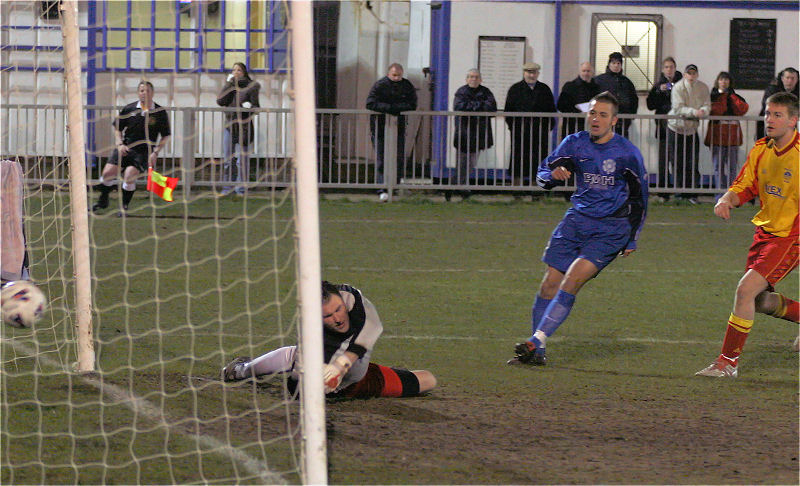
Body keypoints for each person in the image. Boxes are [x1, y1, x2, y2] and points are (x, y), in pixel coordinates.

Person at [507, 92, 648, 366]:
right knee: (549, 283)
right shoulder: (574, 143)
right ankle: (537, 352)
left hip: (610, 229)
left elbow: (640, 198)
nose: (595, 119)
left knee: (571, 280)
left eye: (602, 115)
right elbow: (541, 173)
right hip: (575, 223)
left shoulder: (627, 154)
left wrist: (633, 236)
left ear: (614, 121)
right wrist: (552, 175)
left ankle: (535, 341)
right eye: (593, 113)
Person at [696, 92, 799, 378]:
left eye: (778, 115)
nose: (770, 119)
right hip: (764, 234)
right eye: (768, 113)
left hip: (791, 237)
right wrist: (726, 200)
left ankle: (727, 363)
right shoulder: (760, 149)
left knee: (745, 289)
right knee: (758, 300)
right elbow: (745, 186)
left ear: (794, 120)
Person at [222, 281, 437, 399]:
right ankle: (241, 370)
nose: (337, 317)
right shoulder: (312, 337)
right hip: (349, 386)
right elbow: (297, 386)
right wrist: (324, 382)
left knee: (428, 380)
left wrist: (341, 364)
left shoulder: (350, 298)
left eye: (338, 309)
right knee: (292, 357)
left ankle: (243, 369)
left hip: (359, 373)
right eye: (328, 315)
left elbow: (373, 327)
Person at [92, 80, 171, 216]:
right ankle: (103, 200)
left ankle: (124, 207)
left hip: (143, 152)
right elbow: (117, 128)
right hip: (125, 148)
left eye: (147, 90)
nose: (144, 93)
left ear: (152, 93)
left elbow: (165, 135)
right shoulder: (129, 109)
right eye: (142, 91)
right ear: (138, 93)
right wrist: (119, 144)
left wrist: (156, 152)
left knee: (129, 176)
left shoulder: (159, 112)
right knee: (107, 174)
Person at [366, 63, 418, 201]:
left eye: (399, 75)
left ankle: (395, 185)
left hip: (399, 126)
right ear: (388, 74)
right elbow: (370, 103)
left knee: (399, 156)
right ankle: (382, 188)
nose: (396, 78)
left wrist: (390, 109)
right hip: (379, 125)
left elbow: (413, 104)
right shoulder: (380, 85)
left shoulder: (407, 86)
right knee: (381, 157)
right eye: (394, 75)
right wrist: (393, 109)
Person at [504, 61, 557, 186]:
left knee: (538, 161)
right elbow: (508, 111)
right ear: (524, 73)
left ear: (538, 73)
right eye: (529, 72)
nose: (531, 75)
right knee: (518, 160)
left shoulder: (544, 90)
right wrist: (514, 127)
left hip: (539, 133)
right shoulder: (515, 89)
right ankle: (517, 190)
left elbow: (551, 110)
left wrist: (546, 128)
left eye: (534, 72)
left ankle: (536, 190)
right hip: (520, 132)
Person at [666, 64, 710, 202]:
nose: (691, 76)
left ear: (697, 75)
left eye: (693, 73)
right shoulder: (678, 87)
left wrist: (703, 111)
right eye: (688, 73)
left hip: (691, 130)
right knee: (677, 162)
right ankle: (679, 194)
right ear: (684, 75)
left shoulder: (702, 87)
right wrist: (694, 112)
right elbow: (678, 108)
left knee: (692, 162)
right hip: (676, 129)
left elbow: (707, 104)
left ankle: (692, 194)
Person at [451, 69, 497, 200]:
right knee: (462, 163)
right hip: (464, 134)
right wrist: (479, 107)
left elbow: (492, 107)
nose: (474, 79)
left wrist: (473, 107)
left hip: (479, 134)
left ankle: (456, 187)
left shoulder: (486, 92)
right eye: (471, 77)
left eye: (476, 77)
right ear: (466, 79)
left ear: (480, 79)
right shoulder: (461, 92)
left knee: (471, 163)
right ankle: (458, 187)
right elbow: (460, 107)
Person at [216, 62, 260, 195]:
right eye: (234, 70)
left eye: (239, 70)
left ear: (244, 72)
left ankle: (241, 188)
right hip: (230, 126)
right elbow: (220, 101)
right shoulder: (230, 86)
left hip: (244, 127)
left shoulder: (251, 86)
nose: (236, 72)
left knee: (242, 160)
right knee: (228, 159)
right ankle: (227, 187)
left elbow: (256, 107)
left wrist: (249, 107)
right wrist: (229, 84)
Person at [705, 72, 748, 199]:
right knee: (718, 166)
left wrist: (731, 96)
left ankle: (731, 193)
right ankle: (720, 193)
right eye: (721, 79)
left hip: (732, 135)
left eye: (726, 80)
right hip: (717, 135)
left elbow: (742, 109)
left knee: (732, 167)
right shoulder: (712, 97)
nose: (724, 82)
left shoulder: (735, 96)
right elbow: (717, 110)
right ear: (717, 81)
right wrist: (723, 97)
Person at [646, 57, 682, 193]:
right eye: (666, 67)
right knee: (663, 159)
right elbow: (650, 105)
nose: (669, 70)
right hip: (662, 127)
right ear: (663, 69)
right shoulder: (658, 85)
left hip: (679, 126)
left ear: (675, 68)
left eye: (671, 67)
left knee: (678, 159)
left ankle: (679, 190)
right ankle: (663, 191)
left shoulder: (681, 84)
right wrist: (657, 91)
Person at [594, 52, 638, 139]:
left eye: (618, 63)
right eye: (613, 63)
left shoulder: (627, 82)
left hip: (623, 122)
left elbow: (634, 99)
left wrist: (631, 115)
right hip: (603, 120)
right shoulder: (599, 81)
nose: (616, 65)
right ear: (609, 64)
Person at [557, 61, 601, 137]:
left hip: (590, 126)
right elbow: (561, 105)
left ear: (592, 73)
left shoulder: (596, 88)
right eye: (584, 71)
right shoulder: (569, 87)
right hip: (572, 125)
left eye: (588, 71)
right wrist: (577, 111)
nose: (586, 73)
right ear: (579, 72)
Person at [756, 67, 798, 140]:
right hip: (771, 126)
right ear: (782, 78)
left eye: (793, 78)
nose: (790, 81)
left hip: (792, 128)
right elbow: (768, 105)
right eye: (787, 78)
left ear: (797, 79)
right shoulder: (772, 90)